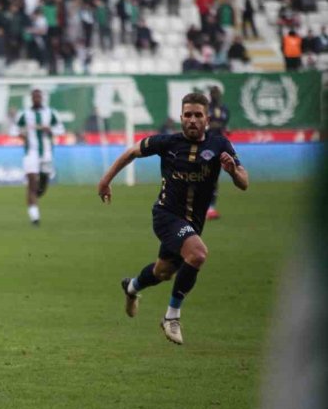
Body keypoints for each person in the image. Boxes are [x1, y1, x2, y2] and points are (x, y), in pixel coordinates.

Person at [97, 92, 249, 345]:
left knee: (163, 271)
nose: (192, 120)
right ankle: (171, 316)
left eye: (198, 115)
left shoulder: (220, 145)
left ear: (207, 119)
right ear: (181, 117)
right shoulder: (167, 143)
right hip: (166, 215)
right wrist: (105, 180)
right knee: (197, 254)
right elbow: (132, 152)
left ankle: (132, 287)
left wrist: (233, 171)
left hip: (192, 224)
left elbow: (244, 182)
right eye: (188, 115)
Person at [14, 89, 65, 226]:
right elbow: (14, 129)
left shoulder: (51, 113)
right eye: (34, 97)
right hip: (31, 153)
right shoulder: (24, 114)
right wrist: (21, 134)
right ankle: (34, 217)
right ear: (31, 98)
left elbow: (61, 129)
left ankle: (33, 199)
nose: (36, 99)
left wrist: (50, 130)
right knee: (32, 182)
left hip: (47, 153)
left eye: (38, 96)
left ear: (42, 98)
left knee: (42, 187)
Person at [206, 86, 230, 220]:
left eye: (217, 93)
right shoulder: (205, 109)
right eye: (213, 93)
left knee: (213, 177)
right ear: (210, 95)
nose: (215, 95)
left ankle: (210, 208)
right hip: (205, 145)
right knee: (201, 175)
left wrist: (224, 129)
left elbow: (224, 124)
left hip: (218, 145)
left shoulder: (224, 109)